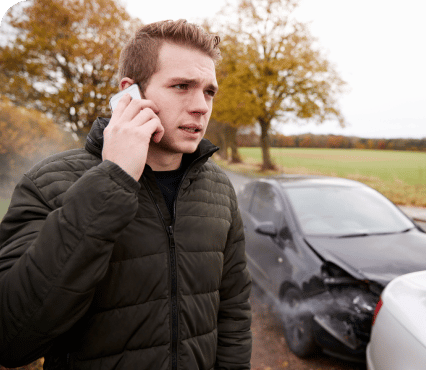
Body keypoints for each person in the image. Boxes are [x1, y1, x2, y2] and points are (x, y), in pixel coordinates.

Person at [0, 19, 252, 370]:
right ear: (130, 93)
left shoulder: (219, 189)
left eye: (209, 91)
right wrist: (112, 180)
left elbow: (234, 312)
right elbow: (12, 339)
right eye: (182, 86)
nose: (201, 106)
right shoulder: (48, 183)